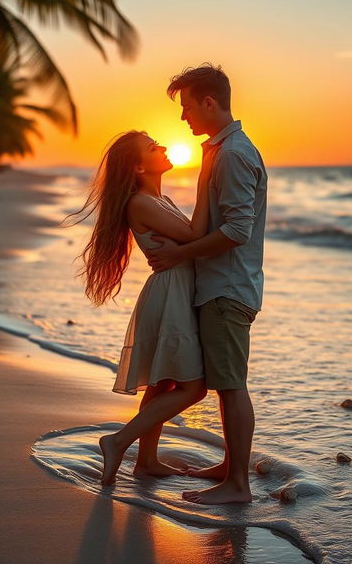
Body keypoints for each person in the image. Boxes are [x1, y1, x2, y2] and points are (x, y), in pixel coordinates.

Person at [147, 64, 267, 505]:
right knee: (225, 382)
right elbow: (213, 223)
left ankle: (237, 484)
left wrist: (178, 254)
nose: (183, 118)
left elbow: (236, 229)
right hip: (221, 285)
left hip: (228, 287)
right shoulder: (220, 150)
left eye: (187, 106)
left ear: (209, 102)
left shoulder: (233, 154)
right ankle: (229, 468)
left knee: (232, 385)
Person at [67, 130, 215, 485]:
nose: (163, 147)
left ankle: (146, 461)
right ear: (137, 166)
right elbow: (197, 236)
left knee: (162, 384)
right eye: (153, 147)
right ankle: (118, 441)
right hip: (171, 296)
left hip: (172, 292)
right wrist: (207, 177)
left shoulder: (157, 199)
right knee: (193, 388)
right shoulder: (142, 203)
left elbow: (193, 235)